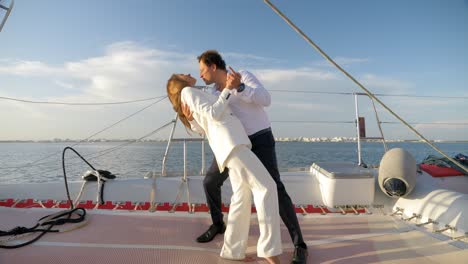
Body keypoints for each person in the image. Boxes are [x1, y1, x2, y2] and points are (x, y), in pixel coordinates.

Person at [195, 50, 308, 263]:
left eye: (202, 70)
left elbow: (266, 99)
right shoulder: (212, 95)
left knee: (276, 188)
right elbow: (210, 120)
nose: (200, 75)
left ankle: (299, 244)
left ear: (212, 66)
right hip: (234, 146)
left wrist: (240, 87)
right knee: (210, 181)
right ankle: (218, 224)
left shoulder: (243, 75)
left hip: (259, 139)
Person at [166, 73, 282, 264]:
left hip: (230, 144)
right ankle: (268, 249)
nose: (189, 74)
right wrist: (228, 88)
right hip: (231, 144)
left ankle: (232, 251)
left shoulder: (193, 94)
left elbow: (203, 127)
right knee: (266, 186)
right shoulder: (188, 91)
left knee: (241, 196)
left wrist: (193, 119)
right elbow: (213, 113)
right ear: (178, 83)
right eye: (182, 74)